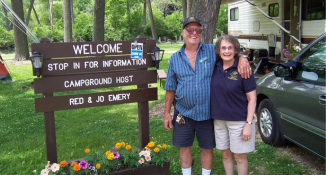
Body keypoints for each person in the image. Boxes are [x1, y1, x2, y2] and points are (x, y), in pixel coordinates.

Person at [163, 16, 251, 175]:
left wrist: (242, 58)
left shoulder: (211, 51)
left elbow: (229, 52)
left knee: (207, 147)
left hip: (207, 112)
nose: (194, 33)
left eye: (197, 30)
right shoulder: (175, 58)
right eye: (190, 30)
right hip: (183, 111)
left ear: (201, 33)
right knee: (184, 147)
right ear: (183, 33)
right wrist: (166, 114)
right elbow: (170, 88)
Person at [211, 34, 257, 175]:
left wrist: (248, 124)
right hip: (219, 120)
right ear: (219, 50)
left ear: (236, 50)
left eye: (230, 48)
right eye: (223, 48)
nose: (226, 51)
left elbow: (252, 99)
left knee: (240, 157)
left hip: (239, 121)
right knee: (226, 155)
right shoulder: (215, 66)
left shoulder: (243, 69)